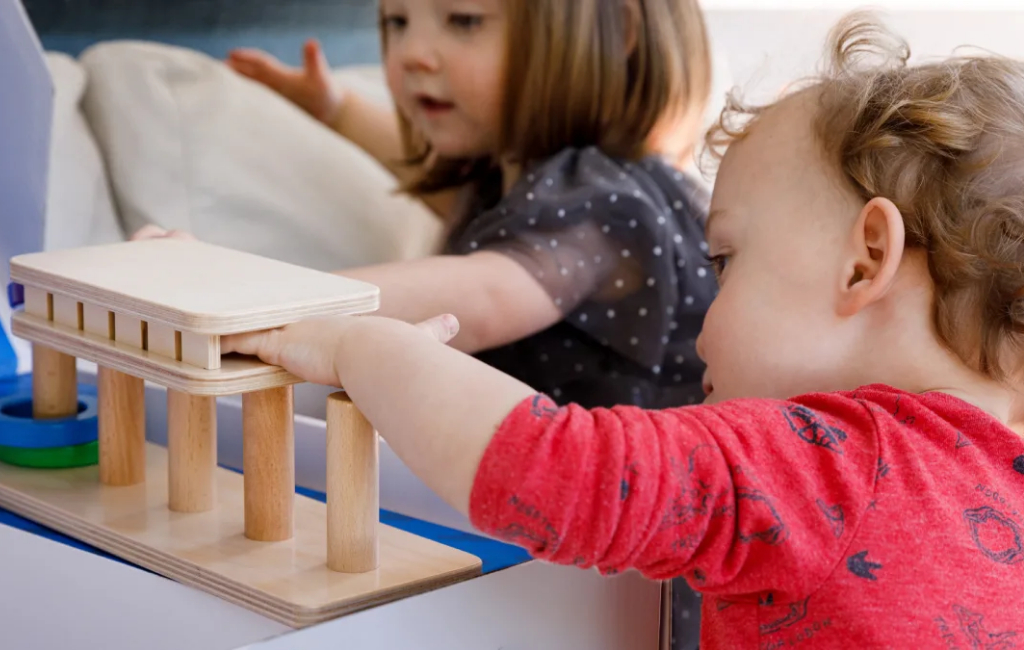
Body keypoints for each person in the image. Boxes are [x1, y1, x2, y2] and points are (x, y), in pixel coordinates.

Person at [221, 13, 1024, 648]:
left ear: (864, 264)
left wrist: (363, 347)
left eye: (724, 261)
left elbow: (557, 471)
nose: (702, 311)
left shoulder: (824, 463)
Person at [136, 0, 718, 411]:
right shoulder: (529, 181)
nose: (412, 52)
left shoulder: (606, 210)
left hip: (620, 574)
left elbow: (483, 295)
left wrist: (235, 302)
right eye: (396, 20)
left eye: (463, 19)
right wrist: (336, 109)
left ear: (615, 34)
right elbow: (439, 182)